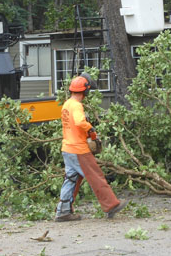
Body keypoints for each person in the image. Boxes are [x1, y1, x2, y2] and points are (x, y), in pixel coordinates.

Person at [55, 73, 128, 222]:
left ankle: (63, 211)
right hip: (78, 150)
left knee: (71, 179)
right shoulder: (76, 106)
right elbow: (80, 122)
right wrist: (91, 130)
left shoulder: (67, 104)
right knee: (96, 177)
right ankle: (111, 205)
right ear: (85, 91)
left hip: (67, 148)